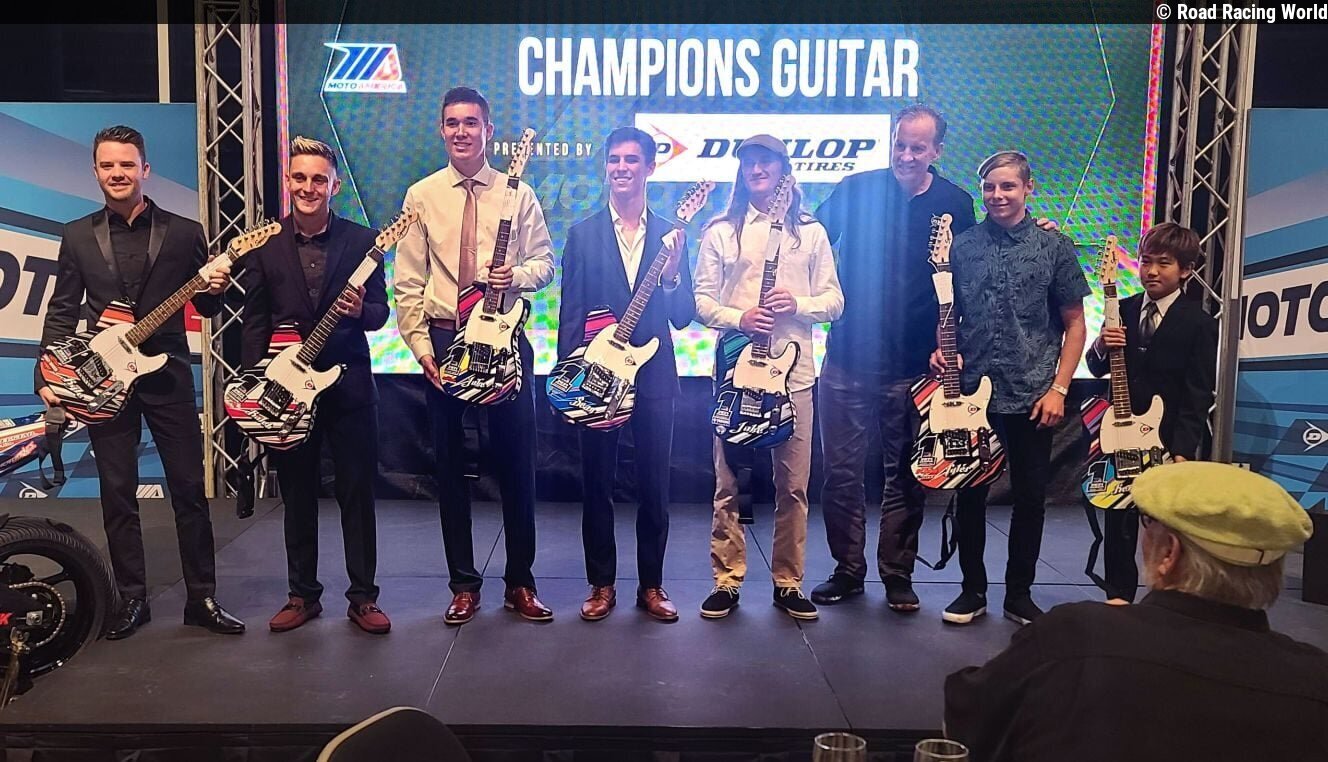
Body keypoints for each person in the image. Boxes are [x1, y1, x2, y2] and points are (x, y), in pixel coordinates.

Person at [944, 461, 1328, 762]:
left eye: (1146, 521)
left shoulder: (1072, 636)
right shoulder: (1316, 681)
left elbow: (963, 725)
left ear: (1169, 553)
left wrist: (1098, 628)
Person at [36, 124, 244, 638]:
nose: (118, 173)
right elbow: (61, 312)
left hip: (167, 375)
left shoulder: (185, 231)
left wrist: (215, 288)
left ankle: (202, 597)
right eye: (108, 165)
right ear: (95, 171)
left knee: (189, 489)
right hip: (103, 381)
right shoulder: (76, 235)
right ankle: (131, 599)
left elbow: (208, 308)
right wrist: (46, 374)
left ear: (145, 169)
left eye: (126, 165)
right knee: (117, 492)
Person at [395, 86, 555, 625]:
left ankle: (521, 582)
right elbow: (408, 282)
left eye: (471, 122)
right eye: (452, 123)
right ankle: (463, 584)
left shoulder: (518, 193)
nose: (461, 131)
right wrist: (421, 349)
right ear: (442, 130)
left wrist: (517, 275)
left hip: (505, 339)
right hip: (444, 340)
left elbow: (545, 264)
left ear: (489, 130)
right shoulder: (421, 195)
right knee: (449, 467)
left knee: (517, 466)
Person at [811, 104, 976, 612]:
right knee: (841, 475)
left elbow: (967, 281)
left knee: (905, 475)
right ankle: (847, 571)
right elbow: (808, 243)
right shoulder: (856, 189)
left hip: (915, 369)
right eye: (900, 144)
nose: (906, 154)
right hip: (846, 360)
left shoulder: (957, 203)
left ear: (937, 151)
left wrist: (950, 343)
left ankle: (897, 574)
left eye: (917, 147)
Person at [931, 150, 1089, 626]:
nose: (997, 195)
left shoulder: (1055, 246)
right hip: (971, 394)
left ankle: (1019, 594)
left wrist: (1059, 388)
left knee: (1030, 499)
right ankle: (971, 591)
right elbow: (949, 314)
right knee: (969, 495)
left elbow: (1075, 323)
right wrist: (941, 349)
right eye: (989, 187)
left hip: (1033, 394)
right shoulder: (962, 248)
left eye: (1007, 186)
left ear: (1027, 188)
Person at [240, 137, 390, 634]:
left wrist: (361, 310)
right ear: (288, 181)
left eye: (319, 179)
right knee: (298, 494)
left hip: (349, 389)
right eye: (300, 177)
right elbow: (255, 322)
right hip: (285, 392)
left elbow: (380, 312)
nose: (309, 187)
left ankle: (363, 598)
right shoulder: (265, 245)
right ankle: (302, 595)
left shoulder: (364, 240)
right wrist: (255, 386)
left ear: (335, 185)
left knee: (357, 495)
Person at [693, 134, 844, 621]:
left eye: (765, 162)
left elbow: (835, 302)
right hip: (734, 375)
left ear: (784, 170)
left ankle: (788, 581)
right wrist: (739, 318)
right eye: (749, 163)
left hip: (794, 377)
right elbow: (701, 302)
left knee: (793, 486)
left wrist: (797, 304)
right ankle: (727, 579)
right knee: (727, 484)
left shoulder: (811, 232)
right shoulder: (721, 231)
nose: (756, 170)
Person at [557, 127, 694, 622]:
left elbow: (683, 315)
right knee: (597, 483)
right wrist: (574, 378)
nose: (621, 168)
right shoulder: (582, 234)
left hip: (654, 377)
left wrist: (673, 274)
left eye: (632, 160)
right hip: (597, 377)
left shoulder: (672, 235)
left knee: (655, 484)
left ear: (650, 168)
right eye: (614, 159)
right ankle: (601, 584)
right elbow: (571, 313)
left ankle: (652, 585)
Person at [1086, 222, 1218, 603]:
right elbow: (1095, 367)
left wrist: (1182, 450)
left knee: (1165, 526)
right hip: (1121, 436)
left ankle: (1167, 600)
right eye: (1146, 261)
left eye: (1164, 263)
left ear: (1185, 270)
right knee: (1118, 520)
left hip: (1166, 440)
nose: (1152, 271)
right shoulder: (1123, 308)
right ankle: (1118, 596)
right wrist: (1101, 344)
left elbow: (1197, 393)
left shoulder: (1199, 323)